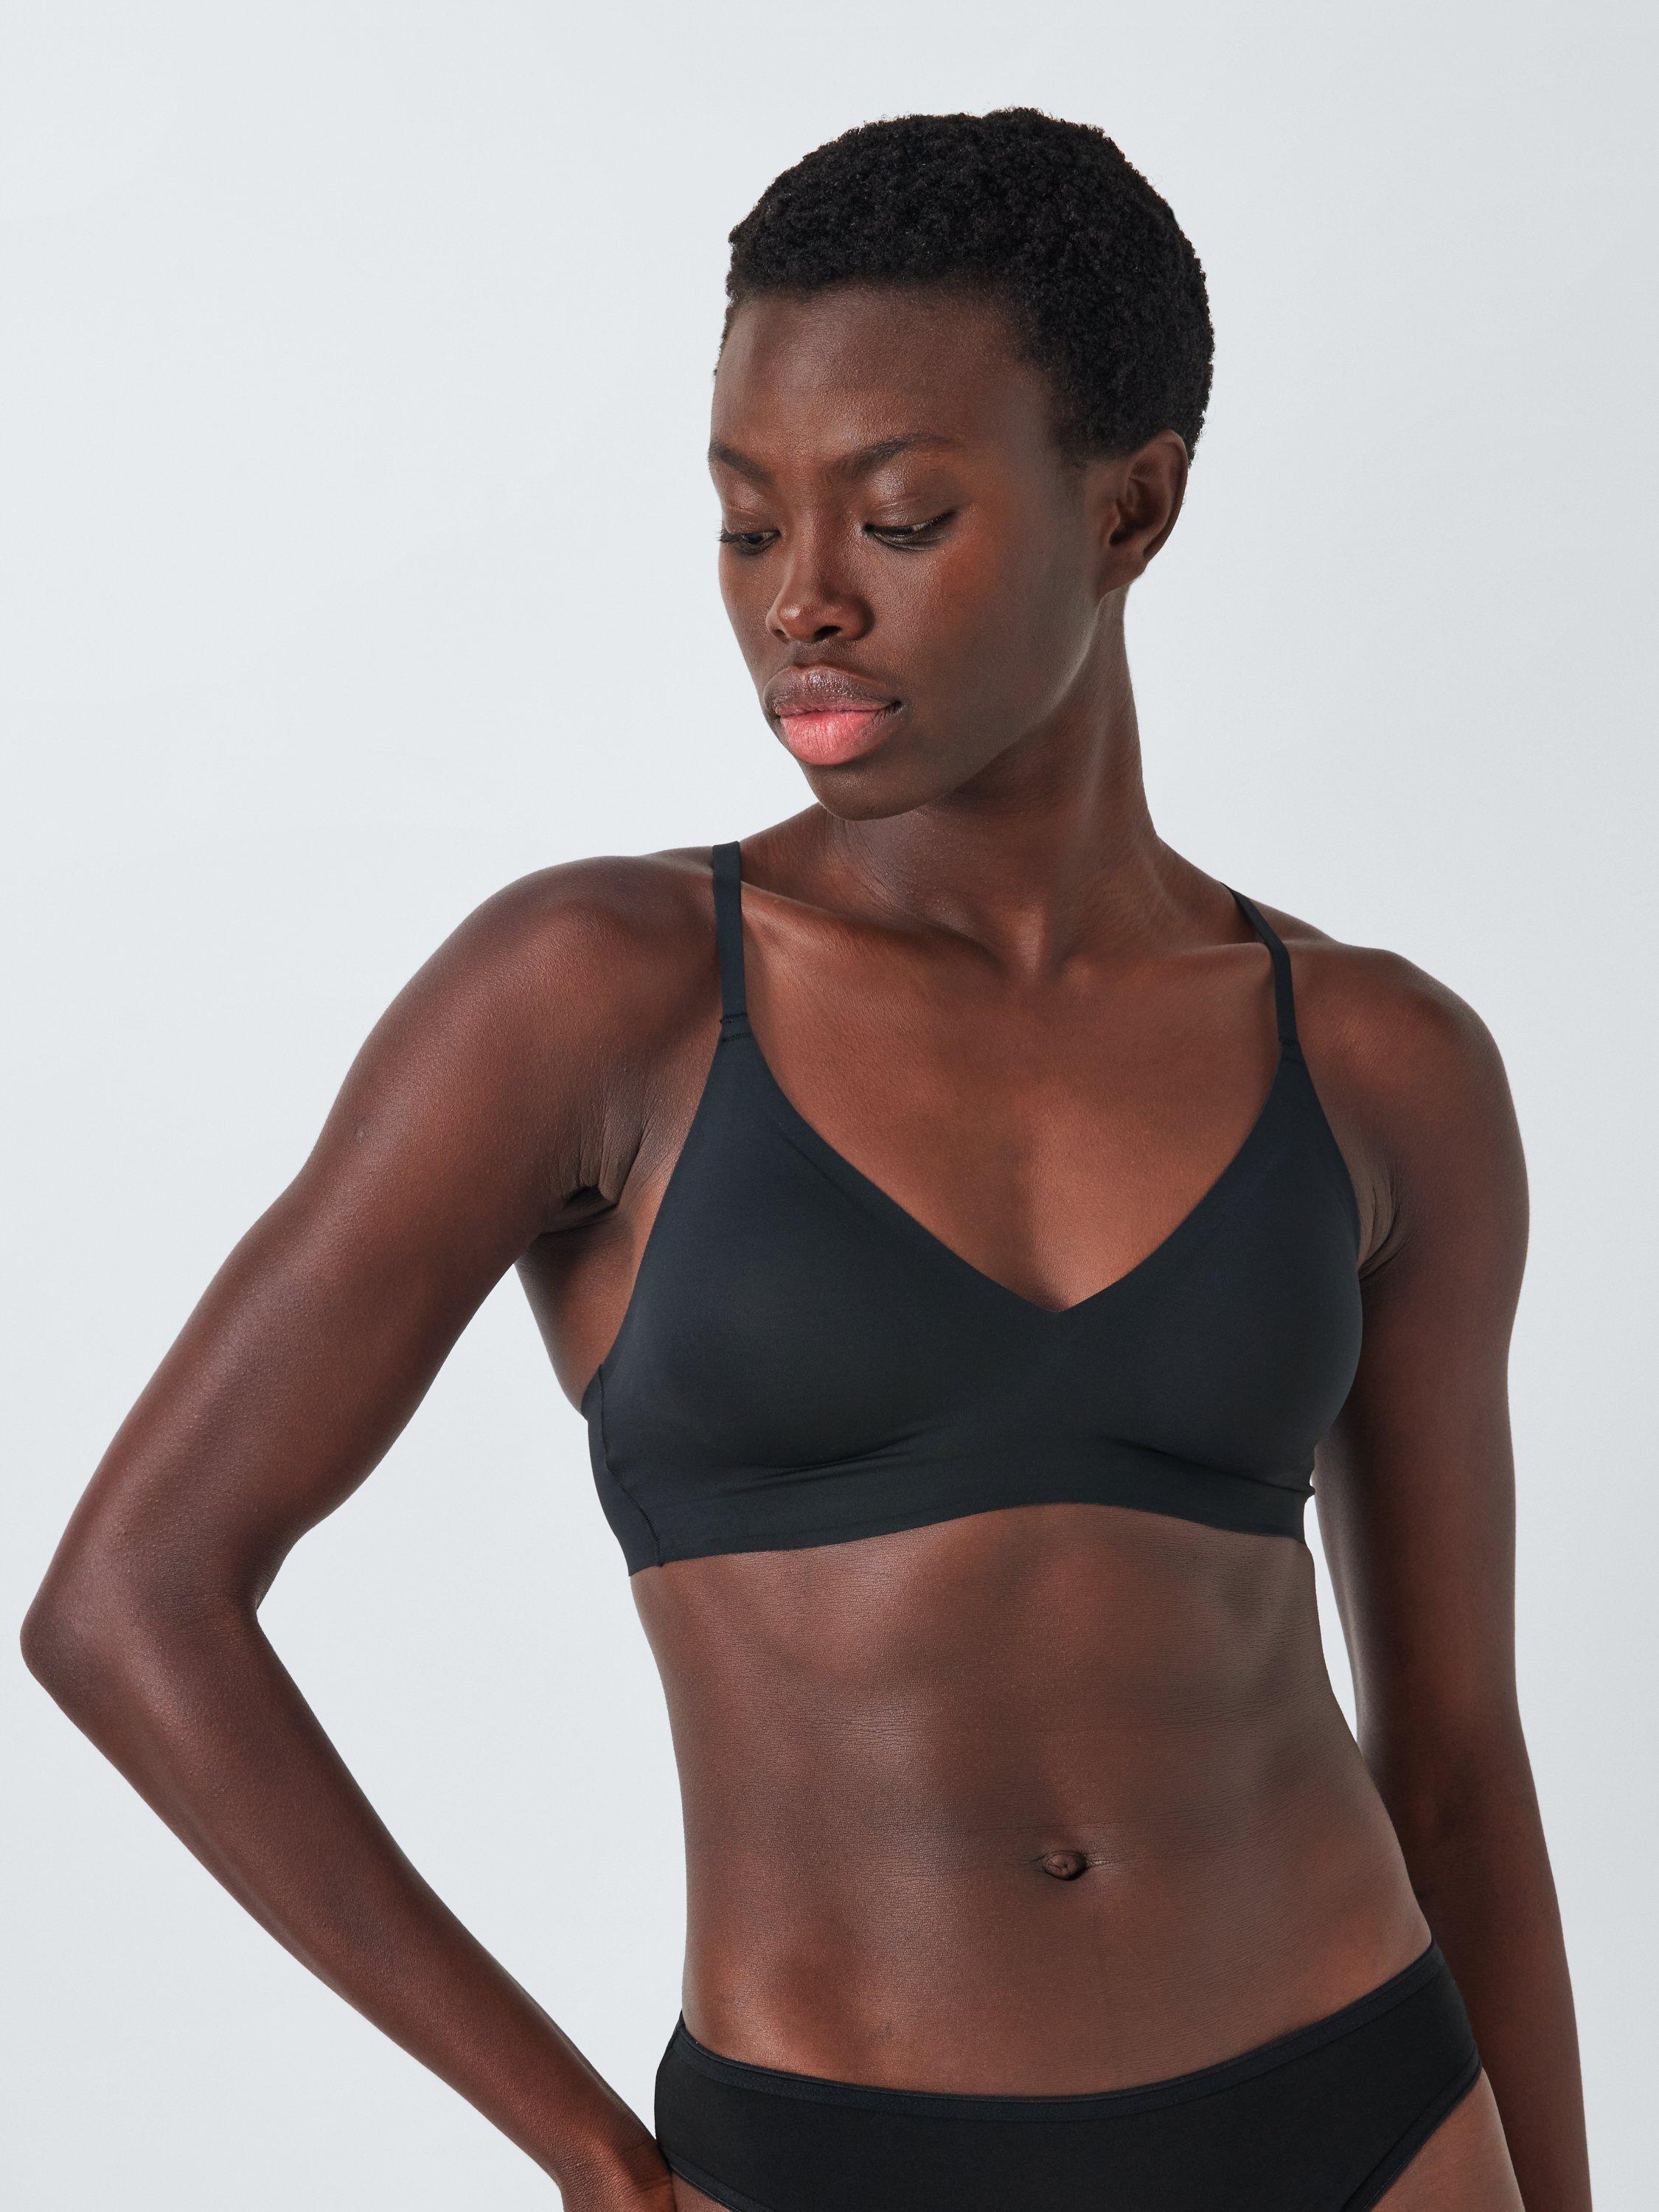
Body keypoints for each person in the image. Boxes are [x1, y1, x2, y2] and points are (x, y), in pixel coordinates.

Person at [21, 108, 1589, 2212]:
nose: (804, 605)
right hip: (834, 2156)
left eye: (900, 517)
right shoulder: (597, 996)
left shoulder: (1382, 1062)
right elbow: (129, 1599)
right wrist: (597, 2158)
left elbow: (1460, 1767)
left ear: (1131, 508)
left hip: (1369, 2127)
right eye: (749, 526)